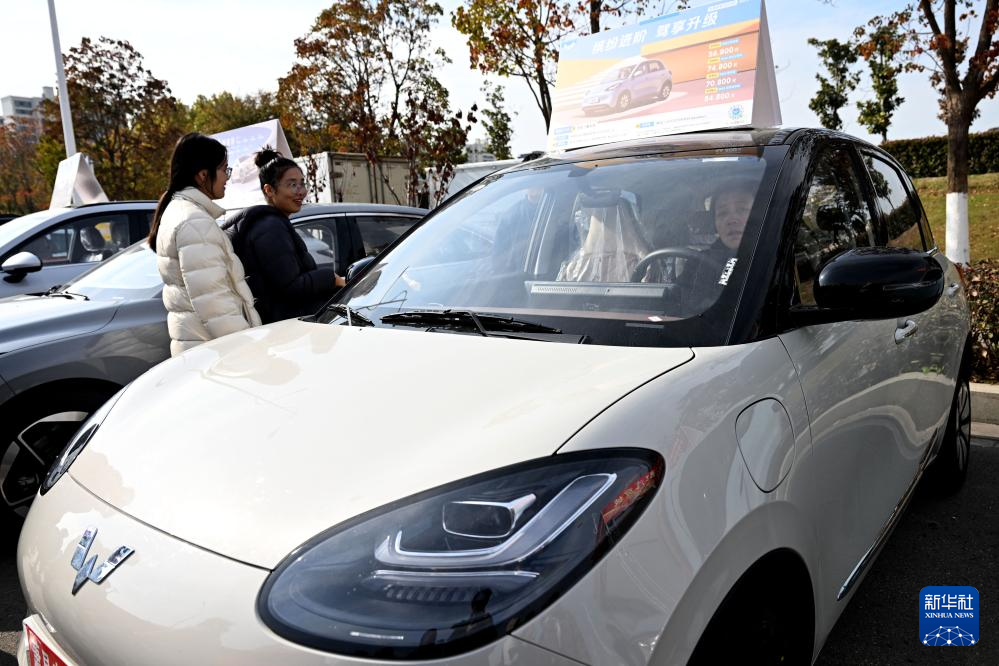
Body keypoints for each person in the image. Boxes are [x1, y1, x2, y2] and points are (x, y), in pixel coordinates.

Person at [149, 133, 260, 356]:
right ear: (202, 175)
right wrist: (247, 349)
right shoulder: (194, 221)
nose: (227, 177)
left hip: (199, 348)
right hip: (215, 353)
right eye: (224, 170)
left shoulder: (178, 211)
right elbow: (215, 305)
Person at [223, 147, 345, 324]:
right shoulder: (270, 228)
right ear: (269, 190)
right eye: (292, 185)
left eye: (302, 183)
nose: (301, 191)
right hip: (285, 326)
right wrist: (331, 278)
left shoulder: (273, 223)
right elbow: (291, 287)